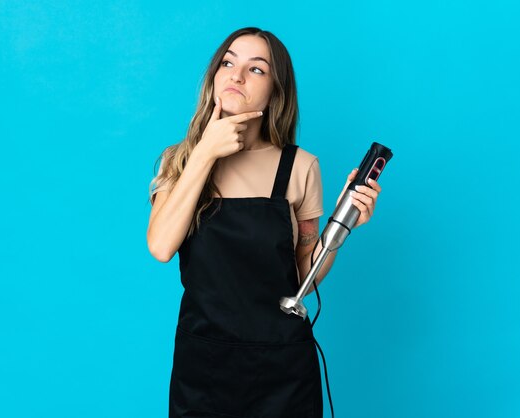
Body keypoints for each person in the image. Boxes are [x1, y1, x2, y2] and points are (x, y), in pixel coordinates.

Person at [147, 27, 382, 418]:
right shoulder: (179, 160)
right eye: (228, 62)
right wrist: (204, 153)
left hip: (282, 371)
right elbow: (160, 246)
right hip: (202, 366)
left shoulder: (300, 167)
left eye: (256, 69)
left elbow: (302, 278)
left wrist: (343, 226)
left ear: (276, 90)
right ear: (214, 75)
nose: (236, 76)